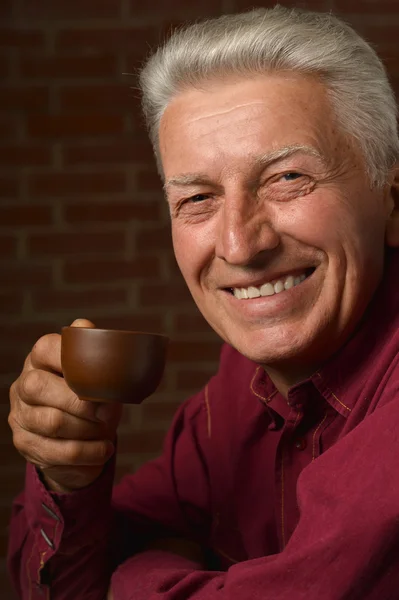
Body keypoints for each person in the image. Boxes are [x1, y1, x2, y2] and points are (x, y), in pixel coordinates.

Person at [7, 5, 399, 599]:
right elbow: (58, 588)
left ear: (393, 200)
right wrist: (69, 472)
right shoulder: (234, 394)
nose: (240, 245)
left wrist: (136, 573)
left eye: (287, 178)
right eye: (197, 198)